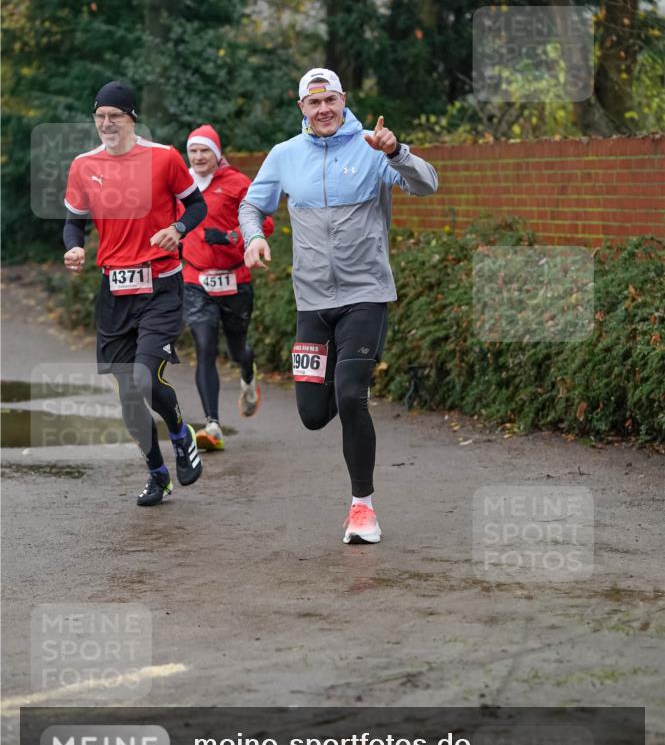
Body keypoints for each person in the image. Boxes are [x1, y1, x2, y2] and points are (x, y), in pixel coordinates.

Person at [239, 68, 438, 544]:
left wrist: (396, 152)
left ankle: (362, 508)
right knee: (312, 413)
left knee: (351, 396)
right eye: (314, 102)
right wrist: (252, 239)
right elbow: (252, 205)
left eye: (331, 100)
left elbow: (427, 184)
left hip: (365, 294)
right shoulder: (285, 155)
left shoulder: (372, 147)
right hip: (312, 300)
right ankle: (341, 378)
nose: (323, 109)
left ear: (344, 101)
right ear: (301, 108)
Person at [62, 80, 206, 507]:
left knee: (145, 378)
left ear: (131, 119)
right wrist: (73, 245)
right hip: (114, 289)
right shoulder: (83, 165)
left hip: (160, 284)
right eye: (100, 116)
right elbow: (74, 221)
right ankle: (157, 474)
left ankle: (182, 435)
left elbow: (196, 205)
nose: (106, 123)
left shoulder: (164, 158)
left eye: (115, 116)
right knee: (127, 393)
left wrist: (178, 229)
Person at [181, 125, 274, 451]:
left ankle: (248, 376)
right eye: (193, 151)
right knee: (204, 345)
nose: (198, 156)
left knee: (237, 349)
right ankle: (212, 424)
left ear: (217, 153)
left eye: (205, 150)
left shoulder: (236, 183)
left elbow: (267, 222)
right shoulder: (181, 184)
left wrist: (233, 236)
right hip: (196, 281)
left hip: (235, 279)